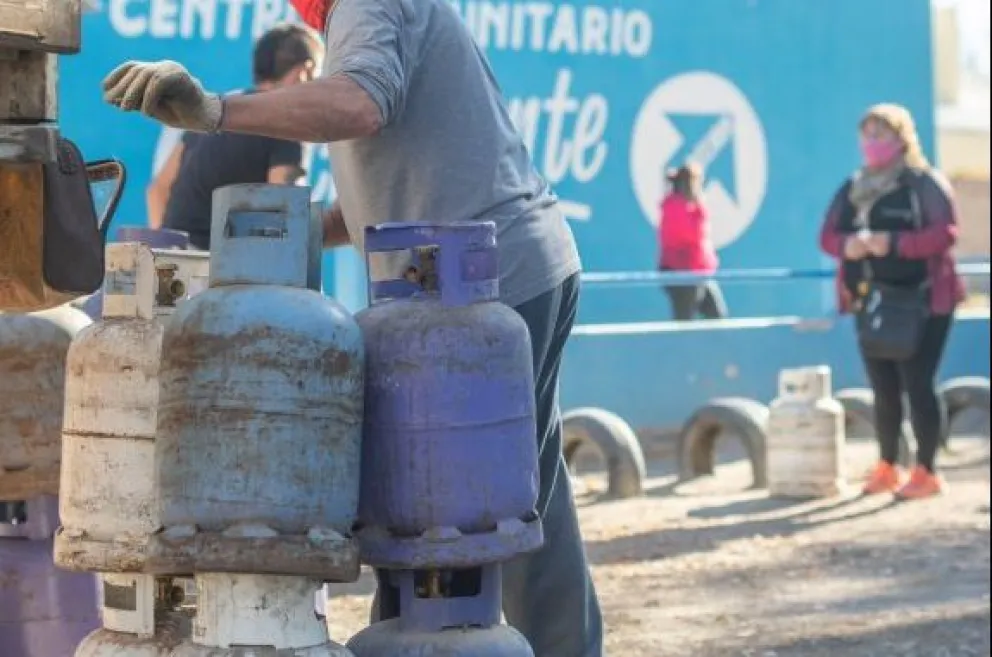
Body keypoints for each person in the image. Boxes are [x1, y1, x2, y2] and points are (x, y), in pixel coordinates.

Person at [100, 1, 602, 655]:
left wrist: (217, 111)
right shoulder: (368, 20)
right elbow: (375, 186)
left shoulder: (364, 6)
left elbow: (362, 105)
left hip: (484, 279)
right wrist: (296, 230)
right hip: (504, 267)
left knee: (459, 504)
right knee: (487, 493)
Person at [819, 103, 965, 500]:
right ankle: (888, 465)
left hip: (925, 302)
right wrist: (849, 246)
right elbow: (828, 236)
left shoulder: (923, 184)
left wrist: (894, 243)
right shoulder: (853, 187)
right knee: (882, 386)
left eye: (881, 134)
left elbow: (945, 234)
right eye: (866, 134)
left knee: (917, 383)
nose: (872, 143)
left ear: (902, 139)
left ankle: (927, 470)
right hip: (873, 302)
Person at [145, 23, 323, 250]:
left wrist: (174, 254)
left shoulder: (215, 111)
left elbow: (157, 191)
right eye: (317, 78)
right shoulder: (288, 123)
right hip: (220, 273)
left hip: (173, 265)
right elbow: (287, 210)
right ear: (304, 72)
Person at [658, 163, 727, 321]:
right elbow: (694, 235)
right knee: (684, 323)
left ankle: (716, 346)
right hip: (682, 274)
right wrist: (700, 209)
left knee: (717, 316)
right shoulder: (674, 209)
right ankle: (678, 346)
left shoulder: (687, 207)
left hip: (699, 273)